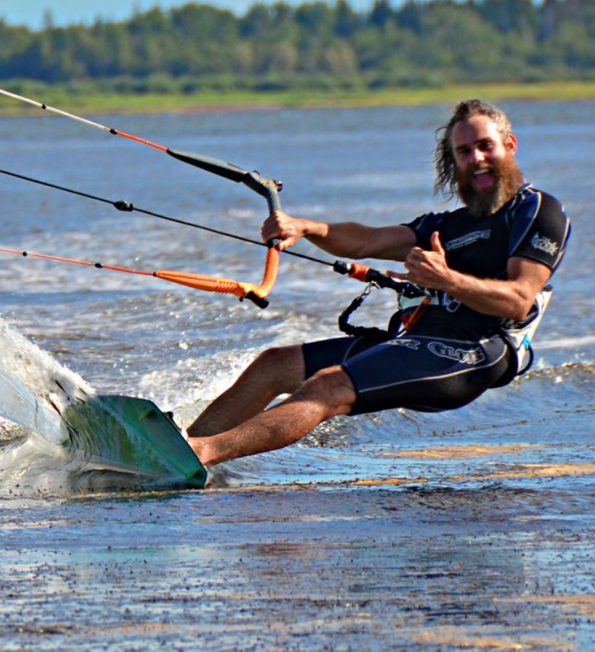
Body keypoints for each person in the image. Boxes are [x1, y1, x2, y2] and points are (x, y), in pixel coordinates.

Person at [185, 99, 570, 468]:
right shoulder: (447, 225)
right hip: (414, 341)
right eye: (464, 152)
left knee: (328, 386)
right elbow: (365, 241)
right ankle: (180, 446)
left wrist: (446, 279)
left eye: (485, 147)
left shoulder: (536, 210)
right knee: (275, 364)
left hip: (474, 351)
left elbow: (519, 300)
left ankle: (202, 452)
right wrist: (305, 227)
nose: (477, 160)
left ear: (509, 145)